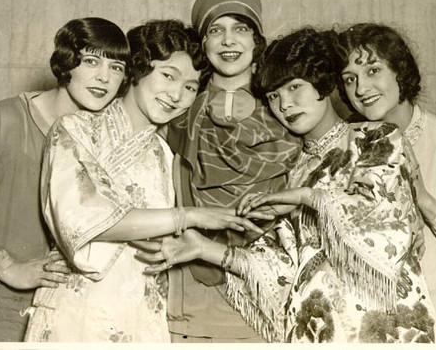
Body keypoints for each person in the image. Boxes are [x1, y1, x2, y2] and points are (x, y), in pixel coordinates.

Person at [137, 27, 436, 343]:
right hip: (320, 330)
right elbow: (281, 265)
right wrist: (202, 247)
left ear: (323, 82)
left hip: (384, 325)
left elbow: (376, 209)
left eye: (295, 87)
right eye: (274, 96)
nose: (286, 105)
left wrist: (303, 197)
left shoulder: (374, 137)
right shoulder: (293, 168)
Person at [22, 19, 262, 343]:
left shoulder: (165, 155)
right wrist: (185, 217)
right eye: (168, 76)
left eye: (191, 87)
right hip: (77, 310)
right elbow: (83, 218)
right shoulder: (73, 129)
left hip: (138, 313)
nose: (177, 94)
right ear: (137, 70)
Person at [164, 0, 301, 343]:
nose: (228, 41)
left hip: (270, 275)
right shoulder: (177, 105)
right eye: (216, 30)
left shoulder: (288, 105)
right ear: (203, 43)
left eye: (240, 29)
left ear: (257, 41)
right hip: (190, 277)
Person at [0, 17, 130, 341]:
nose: (104, 78)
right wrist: (2, 269)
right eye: (91, 61)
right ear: (66, 63)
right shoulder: (7, 118)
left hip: (64, 311)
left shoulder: (106, 138)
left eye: (116, 67)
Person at [336, 23, 436, 342]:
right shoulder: (348, 144)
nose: (361, 89)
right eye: (349, 79)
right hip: (377, 321)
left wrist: (422, 196)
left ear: (401, 71)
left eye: (373, 70)